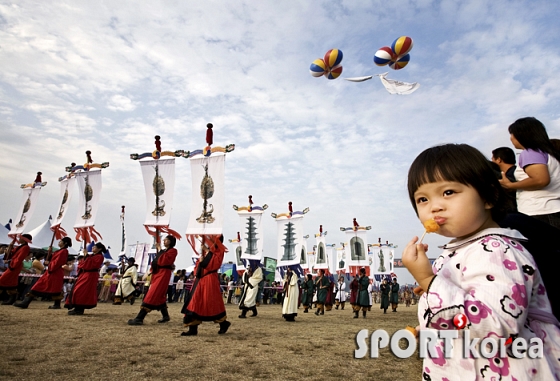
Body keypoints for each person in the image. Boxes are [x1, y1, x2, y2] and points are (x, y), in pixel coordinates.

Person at [403, 143, 560, 379]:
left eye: (448, 192)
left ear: (488, 196)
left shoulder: (498, 250)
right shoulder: (459, 250)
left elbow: (497, 326)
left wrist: (428, 281)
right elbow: (465, 309)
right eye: (422, 199)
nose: (434, 206)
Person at [499, 117, 560, 229]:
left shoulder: (530, 152)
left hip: (540, 211)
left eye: (512, 134)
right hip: (552, 209)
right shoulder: (548, 153)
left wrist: (511, 185)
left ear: (521, 135)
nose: (511, 138)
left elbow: (540, 179)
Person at [181, 235, 231, 335]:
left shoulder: (219, 250)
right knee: (194, 302)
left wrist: (208, 252)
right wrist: (200, 263)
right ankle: (192, 329)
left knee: (210, 302)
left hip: (210, 279)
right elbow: (198, 265)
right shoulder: (205, 250)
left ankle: (223, 323)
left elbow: (215, 264)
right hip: (200, 280)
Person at [128, 235, 178, 325]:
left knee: (153, 293)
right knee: (160, 295)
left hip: (163, 274)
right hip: (158, 273)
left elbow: (164, 261)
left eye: (166, 240)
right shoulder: (164, 251)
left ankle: (140, 318)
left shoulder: (173, 251)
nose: (164, 241)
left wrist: (159, 249)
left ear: (170, 241)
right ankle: (165, 316)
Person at [14, 237, 71, 309]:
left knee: (49, 287)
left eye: (60, 241)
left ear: (65, 243)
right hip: (53, 271)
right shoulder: (60, 251)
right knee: (51, 287)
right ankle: (27, 301)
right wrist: (49, 253)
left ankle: (26, 302)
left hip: (54, 271)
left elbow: (58, 262)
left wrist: (49, 264)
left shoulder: (64, 251)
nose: (59, 242)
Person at [65, 242, 105, 315]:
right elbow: (82, 264)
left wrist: (86, 256)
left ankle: (79, 308)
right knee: (77, 290)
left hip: (90, 275)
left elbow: (92, 265)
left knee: (82, 291)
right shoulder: (91, 256)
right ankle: (77, 307)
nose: (93, 248)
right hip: (84, 274)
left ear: (99, 249)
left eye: (95, 247)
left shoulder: (100, 257)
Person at [0, 235, 32, 305]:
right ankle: (12, 299)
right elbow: (11, 254)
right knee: (11, 282)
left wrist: (12, 264)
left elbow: (19, 258)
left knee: (2, 280)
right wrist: (10, 247)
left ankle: (12, 298)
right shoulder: (19, 247)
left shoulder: (25, 247)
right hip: (13, 265)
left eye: (21, 238)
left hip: (15, 266)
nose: (19, 239)